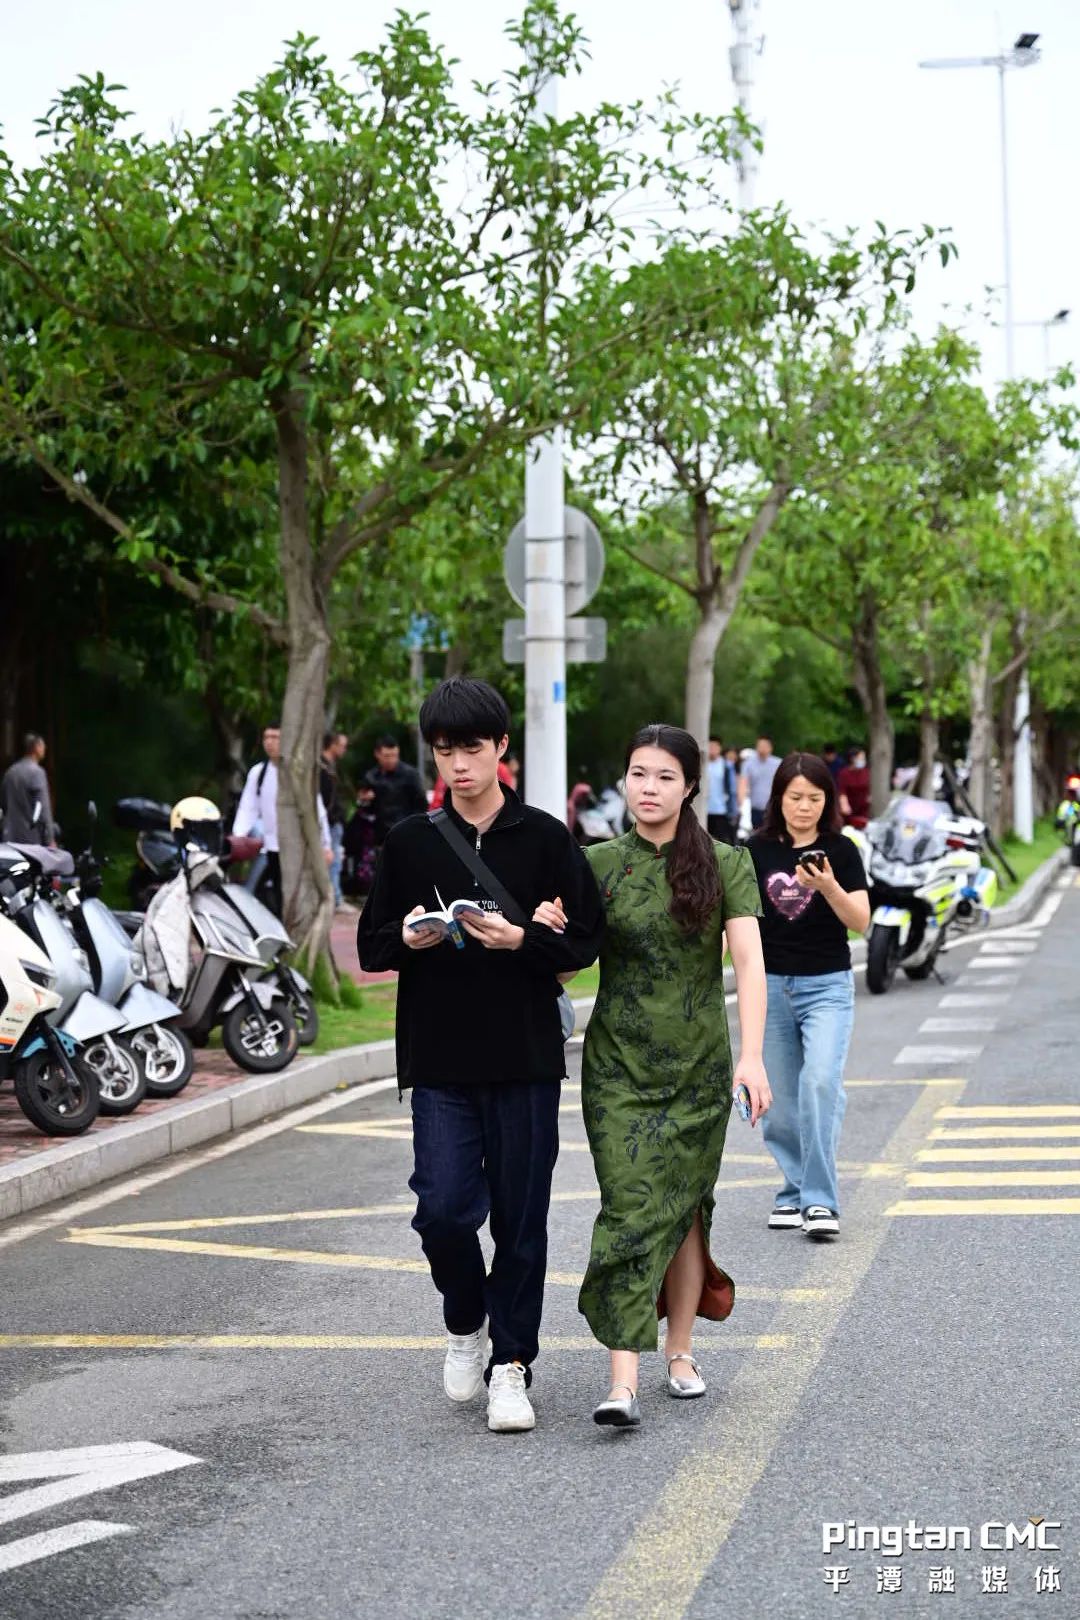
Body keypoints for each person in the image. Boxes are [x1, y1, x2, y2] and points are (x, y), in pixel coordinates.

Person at [356, 677, 604, 1435]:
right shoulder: (409, 842)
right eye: (444, 750)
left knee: (521, 1223)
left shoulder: (545, 839)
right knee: (441, 1212)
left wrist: (522, 937)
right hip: (438, 1059)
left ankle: (512, 1365)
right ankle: (466, 1321)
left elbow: (587, 939)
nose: (458, 765)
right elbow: (370, 944)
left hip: (525, 1057)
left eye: (471, 748)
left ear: (501, 749)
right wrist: (411, 935)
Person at [563, 723, 769, 1430]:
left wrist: (751, 1055)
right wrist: (548, 931)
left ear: (688, 788)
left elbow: (747, 964)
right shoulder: (595, 864)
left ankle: (679, 1352)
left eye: (663, 777)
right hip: (618, 1066)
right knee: (629, 1207)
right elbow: (567, 967)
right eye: (638, 774)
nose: (648, 789)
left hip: (699, 1067)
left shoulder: (723, 863)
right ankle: (623, 1376)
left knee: (684, 1210)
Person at [747, 752, 870, 1242]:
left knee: (820, 1082)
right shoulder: (754, 851)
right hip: (770, 986)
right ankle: (794, 1190)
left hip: (827, 986)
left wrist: (829, 887)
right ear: (778, 798)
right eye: (795, 797)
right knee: (776, 1103)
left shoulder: (841, 850)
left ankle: (818, 1200)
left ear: (828, 801)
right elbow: (739, 922)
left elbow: (860, 921)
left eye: (815, 798)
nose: (804, 807)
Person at [232, 724, 333, 916]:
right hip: (271, 846)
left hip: (298, 848)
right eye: (266, 737)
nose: (270, 742)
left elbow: (316, 810)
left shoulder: (298, 772)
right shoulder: (258, 773)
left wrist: (325, 845)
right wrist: (238, 837)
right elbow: (248, 808)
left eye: (275, 737)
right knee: (273, 894)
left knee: (297, 896)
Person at [364, 735, 428, 845]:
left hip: (406, 831)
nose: (391, 760)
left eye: (394, 755)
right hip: (381, 835)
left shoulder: (410, 775)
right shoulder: (371, 777)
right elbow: (366, 811)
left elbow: (421, 804)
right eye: (387, 756)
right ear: (377, 754)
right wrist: (365, 800)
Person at [0, 733, 56, 846]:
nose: (45, 748)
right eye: (43, 745)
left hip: (9, 838)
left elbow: (3, 806)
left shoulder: (10, 772)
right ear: (36, 747)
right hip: (31, 839)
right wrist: (49, 838)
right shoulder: (37, 773)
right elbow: (42, 808)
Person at [320, 731, 349, 909]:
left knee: (335, 859)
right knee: (334, 860)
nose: (344, 750)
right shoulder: (323, 768)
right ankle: (335, 899)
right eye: (342, 745)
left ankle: (335, 897)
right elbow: (324, 799)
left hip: (332, 820)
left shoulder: (329, 766)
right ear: (332, 745)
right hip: (329, 822)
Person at [738, 735, 781, 830]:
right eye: (760, 746)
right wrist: (741, 804)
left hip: (773, 808)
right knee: (757, 832)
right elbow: (743, 783)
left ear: (770, 748)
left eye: (765, 746)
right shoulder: (748, 764)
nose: (762, 749)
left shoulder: (778, 763)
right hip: (756, 807)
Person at [705, 736, 738, 844]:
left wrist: (733, 810)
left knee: (722, 842)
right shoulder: (701, 764)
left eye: (715, 746)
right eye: (710, 746)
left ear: (720, 748)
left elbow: (732, 790)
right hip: (704, 810)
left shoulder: (726, 766)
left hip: (721, 810)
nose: (712, 749)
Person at [837, 746, 871, 829]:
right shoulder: (844, 773)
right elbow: (842, 791)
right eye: (861, 758)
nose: (863, 761)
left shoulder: (866, 772)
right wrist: (844, 805)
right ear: (853, 759)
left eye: (864, 758)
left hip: (863, 810)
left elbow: (868, 787)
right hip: (849, 810)